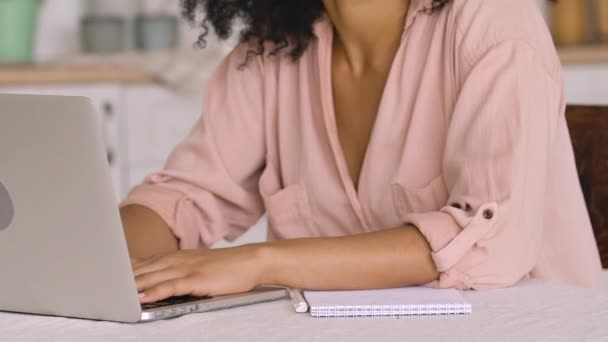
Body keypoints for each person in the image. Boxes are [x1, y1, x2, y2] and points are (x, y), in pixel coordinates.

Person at [121, 0, 604, 304]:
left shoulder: (492, 25)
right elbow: (186, 199)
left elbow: (487, 241)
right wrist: (96, 254)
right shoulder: (270, 54)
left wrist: (261, 262)